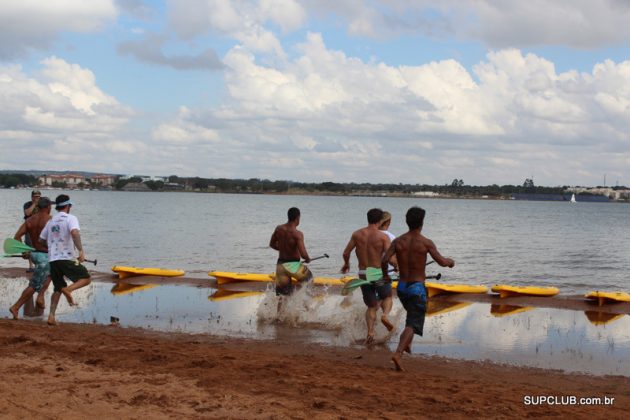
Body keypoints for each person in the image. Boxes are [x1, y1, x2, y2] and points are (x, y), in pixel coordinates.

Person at [381, 206, 454, 371]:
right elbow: (442, 262)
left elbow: (384, 260)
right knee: (413, 324)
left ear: (407, 222)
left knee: (412, 318)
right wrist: (451, 261)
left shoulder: (398, 241)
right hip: (416, 288)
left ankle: (407, 343)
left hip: (402, 287)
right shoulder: (426, 242)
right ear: (422, 222)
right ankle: (398, 353)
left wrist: (386, 276)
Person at [341, 208, 394, 344]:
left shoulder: (357, 234)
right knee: (387, 296)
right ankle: (385, 316)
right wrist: (399, 267)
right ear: (380, 220)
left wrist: (346, 264)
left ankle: (370, 332)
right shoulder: (383, 237)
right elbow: (390, 258)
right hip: (377, 273)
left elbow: (346, 252)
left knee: (371, 306)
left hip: (363, 274)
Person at [39, 194, 92, 326]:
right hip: (66, 258)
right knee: (86, 278)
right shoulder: (71, 218)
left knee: (58, 288)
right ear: (68, 206)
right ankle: (69, 290)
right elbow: (74, 233)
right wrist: (80, 251)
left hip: (53, 260)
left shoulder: (50, 221)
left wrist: (51, 248)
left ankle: (51, 316)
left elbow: (41, 240)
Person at [9, 197, 53, 319]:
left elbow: (16, 237)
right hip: (45, 256)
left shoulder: (29, 220)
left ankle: (41, 297)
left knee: (53, 273)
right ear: (48, 207)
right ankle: (16, 307)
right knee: (34, 285)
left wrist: (25, 251)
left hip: (34, 254)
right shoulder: (51, 220)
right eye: (50, 206)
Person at [269, 207, 313, 298]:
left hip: (280, 265)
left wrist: (283, 249)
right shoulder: (297, 234)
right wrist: (308, 259)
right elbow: (303, 254)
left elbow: (272, 244)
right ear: (298, 218)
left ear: (288, 217)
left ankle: (280, 312)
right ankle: (304, 305)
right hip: (293, 266)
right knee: (309, 279)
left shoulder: (278, 229)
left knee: (282, 296)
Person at [22, 189, 41, 272]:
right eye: (35, 196)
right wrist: (34, 204)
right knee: (29, 246)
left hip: (39, 229)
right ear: (32, 197)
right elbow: (27, 213)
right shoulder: (27, 204)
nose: (37, 198)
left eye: (38, 197)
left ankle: (38, 265)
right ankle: (31, 266)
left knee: (39, 247)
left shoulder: (42, 205)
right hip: (29, 229)